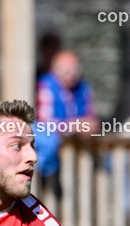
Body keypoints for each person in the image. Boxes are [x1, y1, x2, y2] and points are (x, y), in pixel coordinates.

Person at [34, 50, 99, 190]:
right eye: (66, 71)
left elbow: (91, 117)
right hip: (51, 159)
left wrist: (90, 126)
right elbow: (44, 122)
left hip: (78, 158)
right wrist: (72, 126)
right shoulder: (45, 85)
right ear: (55, 70)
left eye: (74, 71)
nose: (71, 75)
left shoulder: (83, 87)